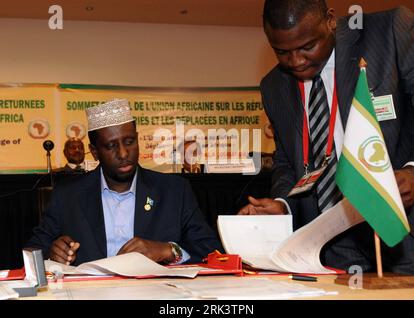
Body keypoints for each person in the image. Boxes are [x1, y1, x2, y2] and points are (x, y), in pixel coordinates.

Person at [239, 0, 414, 273]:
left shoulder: (390, 31)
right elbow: (286, 162)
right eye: (282, 52)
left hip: (401, 235)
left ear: (330, 20)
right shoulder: (273, 86)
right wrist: (283, 204)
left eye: (308, 46)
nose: (296, 61)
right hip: (330, 249)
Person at [26, 99, 222, 266]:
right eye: (111, 146)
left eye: (129, 142)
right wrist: (51, 255)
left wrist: (168, 250)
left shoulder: (174, 191)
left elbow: (211, 251)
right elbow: (32, 251)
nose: (123, 153)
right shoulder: (68, 195)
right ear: (94, 151)